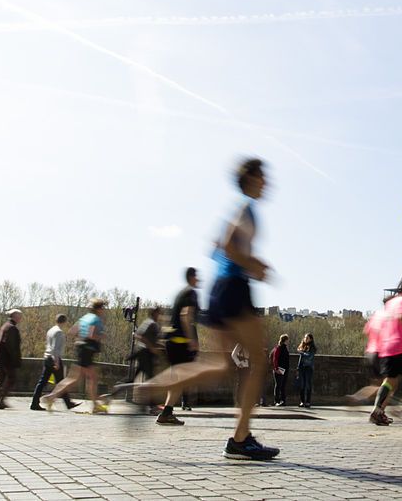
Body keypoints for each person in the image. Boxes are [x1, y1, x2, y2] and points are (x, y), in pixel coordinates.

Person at [114, 158, 279, 460]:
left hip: (220, 289)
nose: (267, 182)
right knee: (258, 362)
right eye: (263, 176)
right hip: (233, 288)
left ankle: (148, 390)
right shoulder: (246, 208)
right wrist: (254, 265)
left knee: (220, 365)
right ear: (252, 179)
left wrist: (247, 262)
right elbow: (228, 246)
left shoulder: (239, 210)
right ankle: (240, 438)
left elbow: (216, 245)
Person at [369, 279, 402, 426]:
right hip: (399, 346)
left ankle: (378, 410)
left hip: (386, 346)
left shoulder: (391, 303)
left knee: (391, 380)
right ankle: (394, 406)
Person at [42, 299, 108, 414]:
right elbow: (91, 335)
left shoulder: (84, 318)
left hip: (81, 349)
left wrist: (80, 339)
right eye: (103, 308)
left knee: (75, 378)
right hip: (88, 350)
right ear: (99, 308)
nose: (104, 310)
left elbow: (72, 331)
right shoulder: (95, 319)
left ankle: (51, 397)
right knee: (90, 378)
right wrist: (101, 336)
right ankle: (95, 405)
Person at [157, 269, 200, 425]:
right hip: (180, 341)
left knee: (177, 378)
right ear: (191, 277)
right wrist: (191, 339)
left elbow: (170, 317)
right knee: (179, 379)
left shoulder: (180, 293)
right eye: (196, 276)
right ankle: (164, 410)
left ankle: (166, 412)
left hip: (171, 339)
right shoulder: (191, 293)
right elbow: (185, 315)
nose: (198, 279)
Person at [30, 314, 79, 411]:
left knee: (44, 382)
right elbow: (55, 348)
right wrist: (56, 362)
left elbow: (50, 346)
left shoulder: (50, 330)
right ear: (64, 322)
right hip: (54, 358)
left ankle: (35, 402)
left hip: (47, 357)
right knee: (61, 382)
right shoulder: (59, 332)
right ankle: (68, 403)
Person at [0, 309, 23, 410]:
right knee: (11, 379)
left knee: (0, 379)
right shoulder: (12, 328)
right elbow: (11, 346)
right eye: (20, 316)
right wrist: (16, 359)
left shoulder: (5, 326)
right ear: (15, 317)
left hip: (0, 358)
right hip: (7, 360)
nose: (21, 319)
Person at [132, 305, 164, 383]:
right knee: (150, 377)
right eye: (159, 313)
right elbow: (139, 336)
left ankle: (119, 388)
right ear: (155, 313)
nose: (160, 316)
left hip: (143, 352)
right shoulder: (151, 323)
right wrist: (151, 348)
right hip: (145, 353)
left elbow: (136, 334)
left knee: (136, 377)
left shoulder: (148, 322)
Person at [296, 333, 316, 408]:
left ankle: (308, 401)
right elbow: (300, 359)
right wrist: (298, 368)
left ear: (311, 339)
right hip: (302, 368)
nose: (305, 339)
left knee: (308, 385)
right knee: (302, 385)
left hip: (308, 368)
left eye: (307, 338)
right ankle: (302, 401)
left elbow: (309, 356)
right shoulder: (302, 346)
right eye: (305, 338)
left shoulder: (312, 347)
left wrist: (301, 352)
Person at [271, 334, 290, 406]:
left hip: (285, 369)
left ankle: (283, 400)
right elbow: (275, 359)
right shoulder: (278, 348)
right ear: (285, 340)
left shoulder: (285, 348)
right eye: (287, 340)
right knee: (278, 385)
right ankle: (276, 401)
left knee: (283, 385)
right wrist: (276, 368)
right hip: (279, 369)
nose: (288, 341)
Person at [231, 343, 250, 408]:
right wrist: (238, 363)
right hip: (242, 366)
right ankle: (239, 402)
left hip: (248, 366)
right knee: (241, 384)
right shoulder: (240, 344)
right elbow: (233, 354)